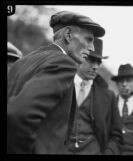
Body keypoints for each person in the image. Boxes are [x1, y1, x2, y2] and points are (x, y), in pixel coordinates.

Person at [7, 10, 105, 154]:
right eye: (89, 39)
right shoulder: (63, 62)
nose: (92, 48)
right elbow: (19, 114)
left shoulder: (22, 62)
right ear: (68, 35)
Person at [67, 38, 122, 155]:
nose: (95, 66)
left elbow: (116, 135)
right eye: (91, 60)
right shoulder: (61, 85)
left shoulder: (108, 96)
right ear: (78, 57)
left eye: (98, 62)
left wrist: (109, 152)